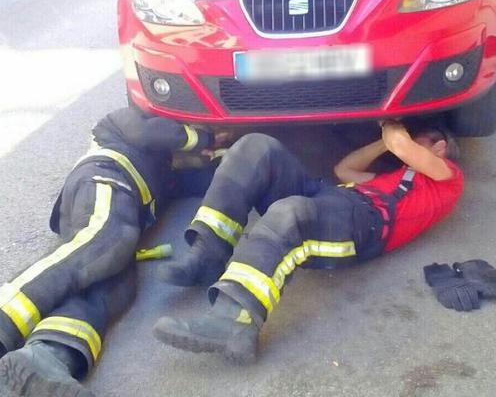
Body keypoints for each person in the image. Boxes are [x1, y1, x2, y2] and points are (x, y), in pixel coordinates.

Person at [0, 108, 230, 397]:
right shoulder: (127, 119)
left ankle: (49, 354)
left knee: (115, 285)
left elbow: (208, 178)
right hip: (103, 179)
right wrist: (206, 138)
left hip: (123, 204)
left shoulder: (166, 172)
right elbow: (152, 133)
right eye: (187, 129)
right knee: (106, 241)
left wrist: (228, 154)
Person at [153, 120, 464, 363]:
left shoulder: (448, 176)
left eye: (418, 139)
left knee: (290, 214)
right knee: (256, 147)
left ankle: (235, 319)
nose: (407, 144)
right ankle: (208, 251)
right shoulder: (395, 177)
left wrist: (391, 124)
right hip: (335, 196)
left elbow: (399, 142)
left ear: (438, 147)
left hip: (364, 224)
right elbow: (345, 169)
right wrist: (383, 143)